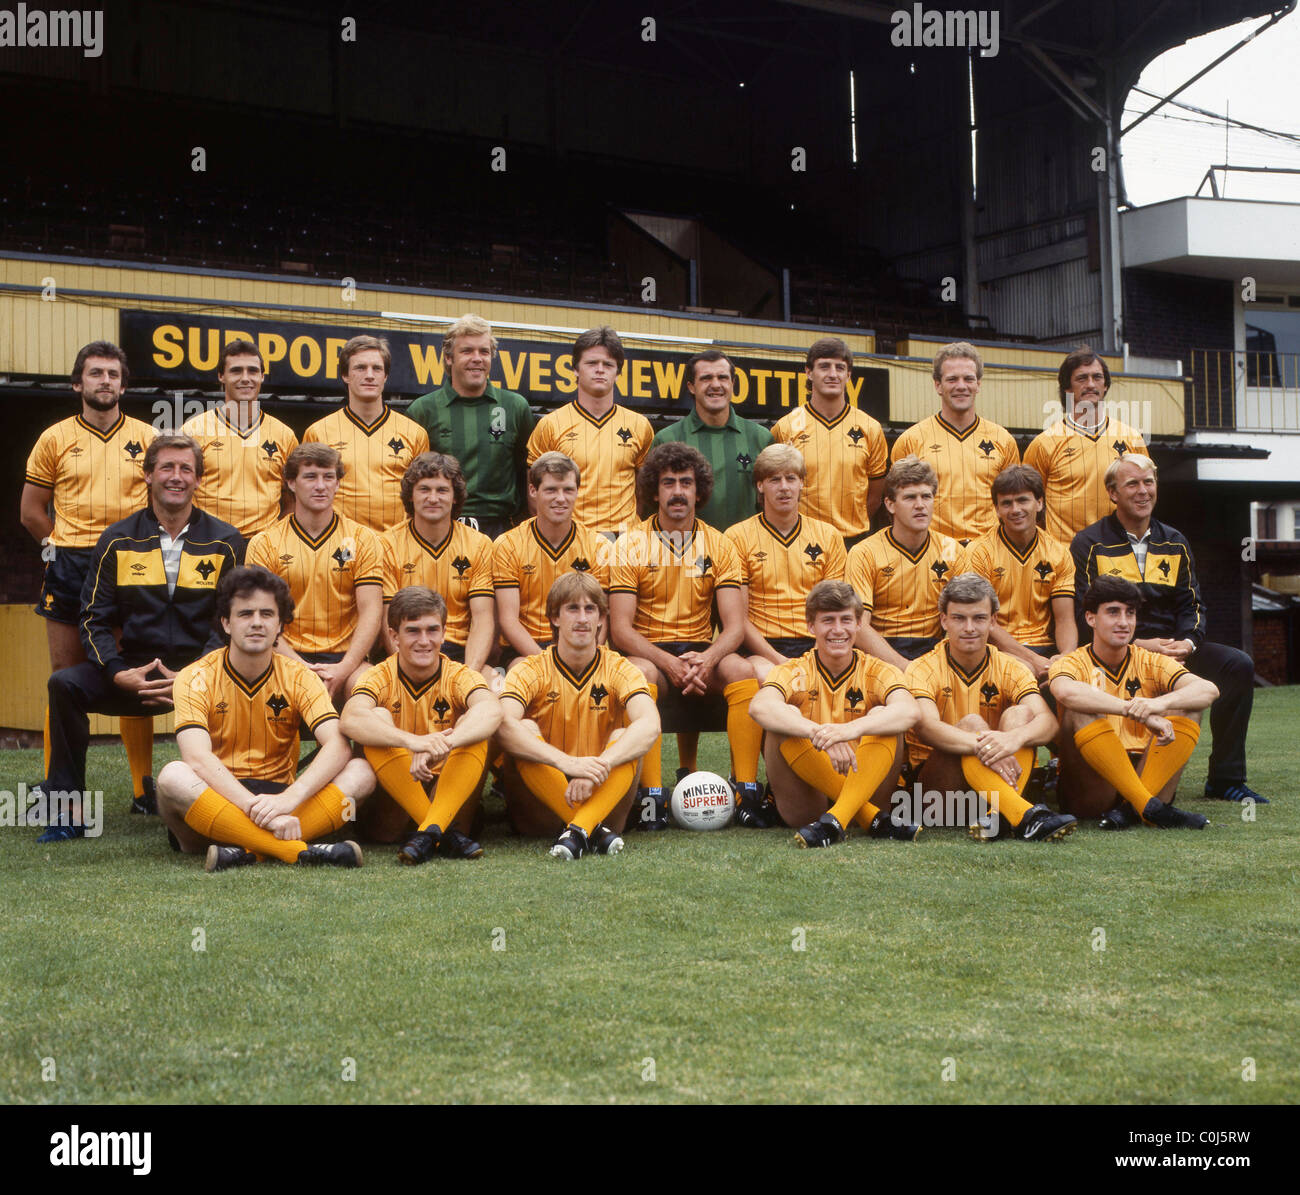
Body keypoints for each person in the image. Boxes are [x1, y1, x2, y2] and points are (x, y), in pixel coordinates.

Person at [39, 435, 242, 840]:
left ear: (199, 479)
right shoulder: (117, 539)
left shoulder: (225, 540)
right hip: (135, 674)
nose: (176, 477)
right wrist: (116, 673)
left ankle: (234, 805)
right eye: (166, 467)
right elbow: (92, 617)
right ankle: (65, 814)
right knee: (63, 684)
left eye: (186, 469)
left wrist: (192, 677)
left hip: (203, 677)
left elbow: (229, 620)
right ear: (147, 475)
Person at [1070, 453, 1263, 804]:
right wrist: (1143, 645)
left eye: (1149, 482)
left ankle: (1225, 778)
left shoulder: (1174, 541)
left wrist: (1188, 642)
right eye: (1133, 484)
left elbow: (1194, 606)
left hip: (1174, 651)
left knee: (1237, 664)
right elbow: (1085, 612)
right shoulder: (1089, 543)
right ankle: (1087, 779)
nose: (1143, 491)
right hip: (1119, 651)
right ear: (1113, 493)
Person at [156, 566, 374, 871]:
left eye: (267, 614)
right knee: (172, 776)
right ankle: (294, 851)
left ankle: (247, 850)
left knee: (362, 772)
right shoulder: (194, 676)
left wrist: (288, 799)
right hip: (218, 797)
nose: (257, 623)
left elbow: (338, 747)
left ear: (280, 626)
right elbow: (197, 759)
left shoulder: (300, 676)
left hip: (283, 799)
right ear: (226, 623)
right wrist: (253, 808)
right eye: (245, 614)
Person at [22, 340, 158, 812]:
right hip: (71, 563)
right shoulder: (55, 437)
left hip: (130, 562)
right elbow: (30, 511)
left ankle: (143, 789)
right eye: (96, 374)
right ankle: (56, 792)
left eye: (113, 375)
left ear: (123, 384)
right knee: (63, 676)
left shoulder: (148, 436)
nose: (105, 382)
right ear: (78, 383)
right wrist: (54, 550)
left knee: (130, 669)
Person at [608, 443, 763, 829]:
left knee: (742, 670)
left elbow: (735, 626)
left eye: (686, 483)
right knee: (640, 674)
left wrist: (707, 659)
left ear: (699, 490)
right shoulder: (630, 544)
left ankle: (746, 789)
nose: (678, 491)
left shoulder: (721, 544)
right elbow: (620, 629)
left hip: (699, 653)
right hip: (650, 655)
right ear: (654, 491)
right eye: (668, 483)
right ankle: (653, 796)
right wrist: (669, 663)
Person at [496, 572, 660, 860]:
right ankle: (590, 829)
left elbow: (650, 724)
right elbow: (504, 726)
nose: (582, 618)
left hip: (602, 792)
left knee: (628, 736)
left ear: (601, 618)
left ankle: (582, 827)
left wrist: (599, 766)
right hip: (539, 813)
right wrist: (567, 763)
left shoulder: (620, 668)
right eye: (572, 608)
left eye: (590, 609)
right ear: (555, 618)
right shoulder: (530, 669)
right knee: (523, 727)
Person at [748, 580, 921, 848]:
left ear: (859, 624)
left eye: (846, 620)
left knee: (883, 716)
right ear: (811, 626)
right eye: (828, 620)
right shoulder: (793, 669)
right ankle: (869, 817)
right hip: (808, 805)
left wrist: (849, 731)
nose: (838, 630)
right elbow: (760, 706)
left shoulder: (878, 670)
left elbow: (909, 710)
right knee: (785, 716)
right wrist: (820, 734)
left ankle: (837, 819)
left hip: (870, 787)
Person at [903, 573, 1073, 841]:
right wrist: (989, 744)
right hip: (940, 799)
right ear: (944, 620)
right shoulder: (921, 668)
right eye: (959, 618)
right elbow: (927, 728)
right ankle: (1018, 812)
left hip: (995, 786)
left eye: (979, 618)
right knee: (973, 723)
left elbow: (1048, 722)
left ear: (993, 621)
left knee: (1021, 715)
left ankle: (1002, 814)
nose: (969, 627)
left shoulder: (1011, 666)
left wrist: (1012, 738)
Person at [340, 587, 502, 863]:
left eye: (432, 630)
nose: (424, 641)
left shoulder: (457, 673)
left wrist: (442, 744)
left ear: (443, 633)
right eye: (413, 631)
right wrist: (412, 742)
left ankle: (430, 830)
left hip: (448, 795)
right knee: (376, 719)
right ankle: (441, 830)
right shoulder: (379, 675)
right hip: (391, 815)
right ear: (394, 636)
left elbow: (491, 709)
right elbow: (351, 718)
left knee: (474, 726)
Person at [1049, 577, 1220, 828]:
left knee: (1188, 703)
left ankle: (1135, 808)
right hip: (1092, 788)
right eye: (1113, 612)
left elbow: (1209, 689)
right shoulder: (1071, 662)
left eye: (1130, 613)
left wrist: (1159, 705)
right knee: (1080, 708)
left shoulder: (1150, 660)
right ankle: (1144, 805)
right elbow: (1066, 692)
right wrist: (1134, 710)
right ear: (1090, 618)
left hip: (1146, 773)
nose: (1123, 622)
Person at [245, 444, 383, 705]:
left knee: (368, 690)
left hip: (348, 659)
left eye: (328, 477)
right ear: (291, 483)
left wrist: (344, 668)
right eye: (310, 477)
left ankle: (353, 749)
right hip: (284, 657)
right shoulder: (264, 543)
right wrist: (301, 668)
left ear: (338, 483)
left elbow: (371, 612)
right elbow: (260, 616)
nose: (320, 485)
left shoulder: (363, 540)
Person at [405, 314, 535, 540]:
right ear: (448, 358)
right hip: (441, 527)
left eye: (484, 352)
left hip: (501, 531)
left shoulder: (515, 407)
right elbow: (411, 481)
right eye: (467, 351)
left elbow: (528, 472)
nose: (477, 358)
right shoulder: (422, 410)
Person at [726, 442, 846, 682]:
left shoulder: (828, 535)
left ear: (802, 482)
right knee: (768, 675)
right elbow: (739, 618)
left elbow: (835, 609)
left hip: (817, 643)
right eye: (774, 480)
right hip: (761, 647)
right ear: (760, 485)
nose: (784, 488)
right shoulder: (736, 537)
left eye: (791, 478)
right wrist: (780, 661)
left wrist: (815, 655)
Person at [526, 326, 652, 537]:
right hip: (571, 537)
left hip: (624, 540)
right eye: (592, 363)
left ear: (618, 372)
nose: (600, 369)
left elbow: (642, 491)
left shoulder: (640, 425)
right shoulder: (551, 424)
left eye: (608, 364)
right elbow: (534, 490)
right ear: (576, 369)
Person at [890, 341, 1019, 545]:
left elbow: (1014, 504)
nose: (961, 386)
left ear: (978, 384)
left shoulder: (1003, 440)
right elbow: (897, 504)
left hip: (989, 552)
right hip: (932, 552)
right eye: (952, 379)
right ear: (938, 385)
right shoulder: (910, 440)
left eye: (968, 379)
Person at [846, 456, 966, 672]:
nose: (920, 505)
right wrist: (906, 668)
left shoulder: (953, 550)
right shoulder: (864, 552)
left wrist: (939, 666)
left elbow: (965, 620)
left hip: (936, 652)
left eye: (926, 497)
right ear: (890, 504)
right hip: (881, 652)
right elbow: (859, 627)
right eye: (910, 497)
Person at [378, 453, 495, 673]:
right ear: (410, 496)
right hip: (408, 654)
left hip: (460, 655)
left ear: (455, 497)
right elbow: (387, 620)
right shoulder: (386, 545)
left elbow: (483, 619)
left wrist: (468, 675)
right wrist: (408, 670)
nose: (433, 498)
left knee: (496, 688)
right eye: (424, 489)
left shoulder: (479, 544)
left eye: (442, 490)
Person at [1024, 345, 1150, 547]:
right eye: (1082, 378)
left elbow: (1145, 498)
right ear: (1067, 387)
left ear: (1106, 385)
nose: (1090, 384)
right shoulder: (1043, 444)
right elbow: (1029, 507)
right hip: (1067, 556)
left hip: (1119, 553)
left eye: (1097, 377)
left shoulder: (1132, 437)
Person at [302, 335, 430, 532]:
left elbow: (422, 496)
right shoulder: (318, 432)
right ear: (345, 375)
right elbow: (306, 496)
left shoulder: (414, 434)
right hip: (340, 544)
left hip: (395, 544)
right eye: (360, 368)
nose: (369, 375)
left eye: (377, 368)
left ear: (385, 376)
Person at [492, 452, 610, 666]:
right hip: (527, 650)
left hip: (582, 646)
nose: (561, 498)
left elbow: (602, 617)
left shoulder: (599, 546)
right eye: (551, 490)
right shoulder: (508, 545)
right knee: (519, 667)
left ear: (577, 492)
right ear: (533, 491)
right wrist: (549, 664)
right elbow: (509, 621)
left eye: (568, 490)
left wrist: (588, 657)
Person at [771, 336, 887, 549]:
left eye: (840, 368)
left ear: (848, 375)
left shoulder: (870, 427)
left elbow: (875, 496)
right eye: (824, 366)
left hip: (854, 540)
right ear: (809, 372)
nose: (833, 374)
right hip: (801, 539)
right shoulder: (785, 427)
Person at [965, 464, 1076, 682]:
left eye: (1023, 500)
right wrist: (1034, 660)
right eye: (1006, 503)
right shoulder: (978, 552)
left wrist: (1066, 658)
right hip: (996, 648)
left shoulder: (1059, 553)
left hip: (1046, 648)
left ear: (1039, 503)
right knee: (1027, 671)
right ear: (996, 509)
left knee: (1076, 678)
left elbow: (1065, 620)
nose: (1015, 509)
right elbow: (984, 621)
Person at [181, 338, 298, 540]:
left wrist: (279, 539)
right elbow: (179, 491)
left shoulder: (284, 435)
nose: (245, 378)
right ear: (221, 376)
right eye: (236, 371)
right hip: (208, 542)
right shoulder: (193, 430)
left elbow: (294, 497)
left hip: (263, 546)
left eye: (252, 371)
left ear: (262, 376)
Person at [652, 349, 772, 531]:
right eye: (706, 378)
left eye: (722, 378)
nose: (715, 384)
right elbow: (651, 506)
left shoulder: (761, 438)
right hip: (687, 553)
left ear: (732, 384)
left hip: (745, 554)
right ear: (691, 387)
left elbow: (771, 504)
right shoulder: (667, 439)